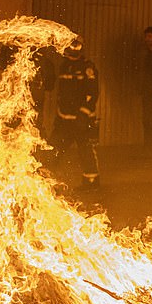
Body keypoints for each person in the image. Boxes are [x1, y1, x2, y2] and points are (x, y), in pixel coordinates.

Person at [50, 38, 101, 191]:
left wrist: (83, 115)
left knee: (85, 149)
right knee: (54, 149)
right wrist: (59, 115)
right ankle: (46, 183)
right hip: (64, 118)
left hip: (81, 119)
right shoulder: (64, 66)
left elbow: (93, 93)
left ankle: (91, 182)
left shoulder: (88, 67)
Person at [0, 44, 55, 136]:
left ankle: (36, 147)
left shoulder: (41, 58)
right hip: (14, 100)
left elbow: (50, 85)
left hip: (34, 101)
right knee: (11, 127)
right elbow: (0, 64)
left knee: (33, 127)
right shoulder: (12, 52)